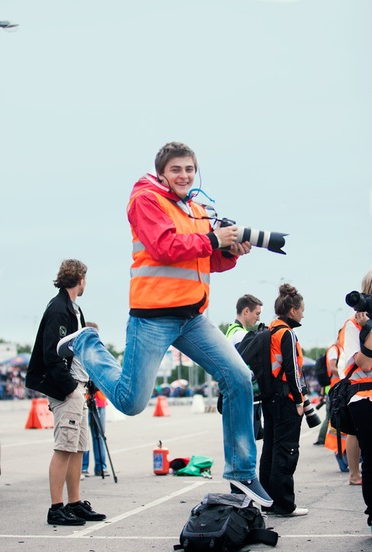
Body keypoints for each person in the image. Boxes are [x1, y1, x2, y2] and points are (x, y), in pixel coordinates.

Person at [56, 141, 273, 508]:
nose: (184, 175)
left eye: (189, 169)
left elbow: (205, 260)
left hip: (192, 317)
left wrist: (229, 252)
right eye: (176, 169)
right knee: (131, 402)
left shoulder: (196, 209)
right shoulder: (146, 200)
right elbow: (164, 247)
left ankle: (241, 473)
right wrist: (213, 239)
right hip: (153, 316)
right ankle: (86, 343)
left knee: (239, 378)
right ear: (161, 173)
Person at [26, 259, 106, 526]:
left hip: (79, 387)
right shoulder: (59, 309)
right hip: (67, 389)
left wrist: (87, 384)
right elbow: (52, 354)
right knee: (64, 447)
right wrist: (71, 388)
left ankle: (74, 503)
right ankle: (56, 508)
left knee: (77, 447)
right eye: (86, 279)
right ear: (80, 279)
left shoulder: (74, 309)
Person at [259, 283, 308, 517]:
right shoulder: (286, 333)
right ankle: (285, 505)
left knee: (270, 450)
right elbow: (292, 370)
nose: (303, 314)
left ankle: (267, 502)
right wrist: (299, 400)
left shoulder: (270, 330)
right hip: (286, 398)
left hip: (270, 397)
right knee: (286, 450)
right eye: (301, 310)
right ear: (292, 310)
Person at [338, 269, 372, 528]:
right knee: (370, 459)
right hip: (363, 399)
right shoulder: (354, 324)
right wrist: (369, 328)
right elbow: (365, 363)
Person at [225, 294, 264, 439]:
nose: (258, 318)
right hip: (244, 396)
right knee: (246, 441)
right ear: (246, 311)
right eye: (257, 314)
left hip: (233, 394)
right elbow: (249, 367)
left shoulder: (231, 331)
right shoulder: (241, 335)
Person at [81, 322, 109, 479]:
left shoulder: (101, 353)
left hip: (99, 400)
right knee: (83, 435)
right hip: (84, 399)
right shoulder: (79, 352)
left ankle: (101, 466)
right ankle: (82, 467)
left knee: (99, 435)